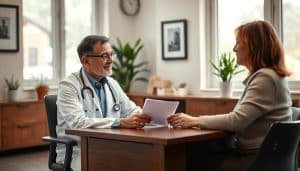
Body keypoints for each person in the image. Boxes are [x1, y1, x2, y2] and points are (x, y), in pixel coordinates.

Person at [168, 20, 292, 170]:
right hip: (267, 157)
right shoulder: (272, 76)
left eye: (238, 42)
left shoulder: (265, 78)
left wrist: (194, 121)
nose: (234, 49)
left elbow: (237, 121)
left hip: (256, 160)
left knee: (192, 158)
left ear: (254, 45)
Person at [56, 35, 151, 170]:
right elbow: (78, 122)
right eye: (104, 56)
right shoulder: (69, 86)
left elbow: (131, 110)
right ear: (86, 61)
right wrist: (120, 122)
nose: (111, 60)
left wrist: (146, 115)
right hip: (78, 151)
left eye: (112, 55)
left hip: (110, 148)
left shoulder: (112, 84)